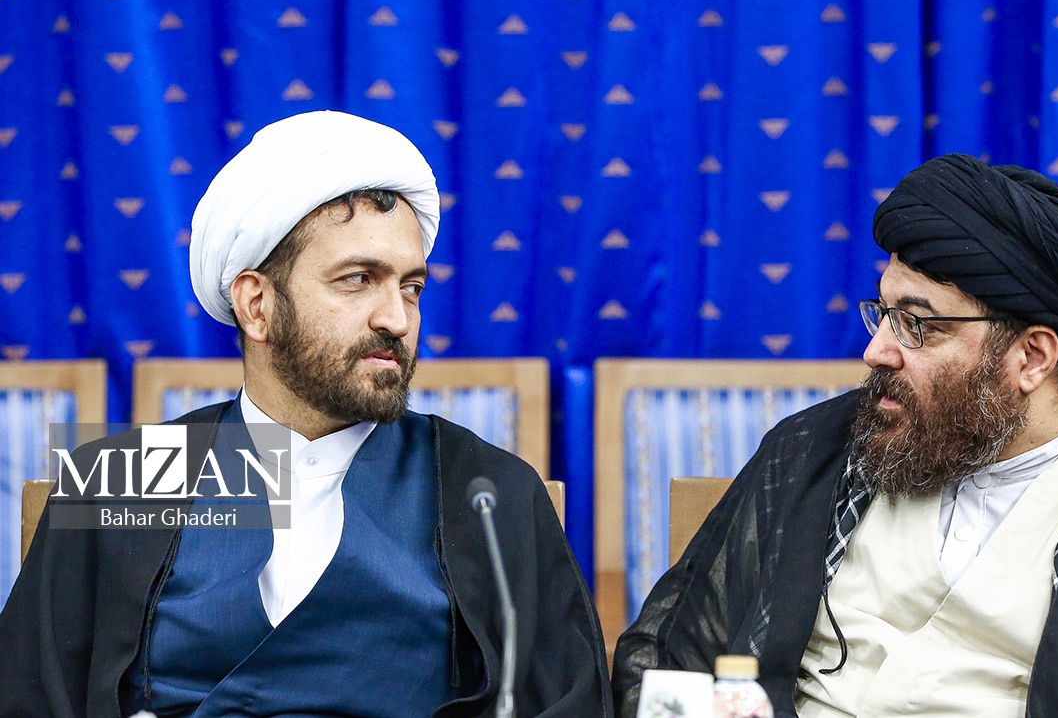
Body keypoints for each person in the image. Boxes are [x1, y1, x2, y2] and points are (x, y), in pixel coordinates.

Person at [613, 154, 1058, 717]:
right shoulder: (811, 451)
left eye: (919, 324)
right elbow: (664, 659)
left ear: (1032, 357)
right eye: (883, 312)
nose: (877, 350)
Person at [0, 111, 612, 717]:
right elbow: (29, 697)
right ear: (257, 305)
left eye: (411, 287)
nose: (397, 319)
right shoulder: (123, 479)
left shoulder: (488, 490)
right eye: (358, 279)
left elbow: (568, 703)